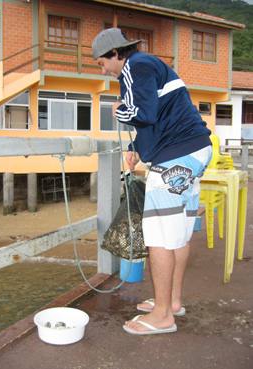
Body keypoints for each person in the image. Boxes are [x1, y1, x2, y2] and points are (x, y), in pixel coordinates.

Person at [92, 28, 212, 335]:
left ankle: (162, 317)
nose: (101, 68)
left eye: (101, 61)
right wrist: (135, 148)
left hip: (175, 157)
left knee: (158, 236)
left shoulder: (137, 67)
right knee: (179, 234)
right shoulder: (146, 67)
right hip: (193, 151)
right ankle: (171, 303)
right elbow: (157, 116)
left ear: (116, 53)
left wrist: (120, 112)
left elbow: (142, 113)